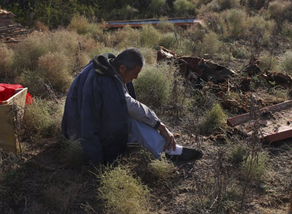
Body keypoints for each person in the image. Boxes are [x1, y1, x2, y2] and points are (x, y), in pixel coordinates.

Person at [62, 48, 203, 165]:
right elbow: (89, 122)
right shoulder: (102, 82)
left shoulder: (108, 68)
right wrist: (96, 161)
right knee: (130, 119)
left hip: (80, 126)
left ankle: (166, 149)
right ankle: (169, 152)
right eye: (135, 73)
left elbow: (130, 105)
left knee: (135, 117)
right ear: (123, 68)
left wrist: (159, 125)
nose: (135, 78)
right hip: (78, 134)